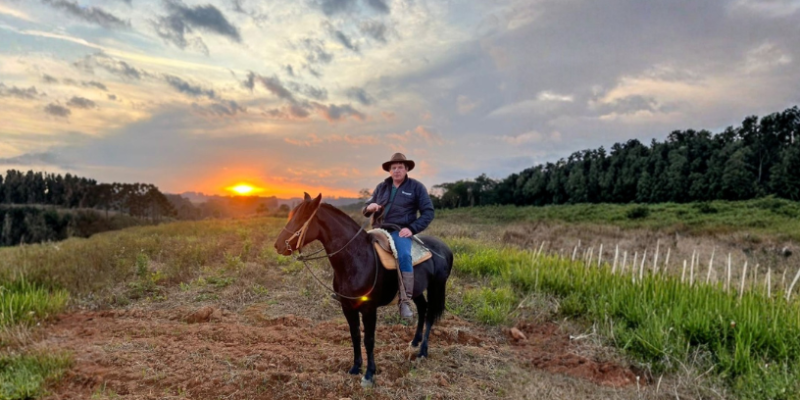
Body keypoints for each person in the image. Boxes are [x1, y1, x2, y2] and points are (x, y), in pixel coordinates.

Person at [363, 153, 434, 319]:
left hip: (399, 230)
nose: (396, 170)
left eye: (400, 167)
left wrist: (412, 228)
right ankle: (352, 291)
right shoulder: (382, 187)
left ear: (406, 169)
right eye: (393, 167)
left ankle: (404, 301)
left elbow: (428, 212)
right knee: (356, 249)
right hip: (378, 229)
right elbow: (367, 206)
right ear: (389, 170)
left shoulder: (416, 187)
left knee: (403, 255)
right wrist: (369, 207)